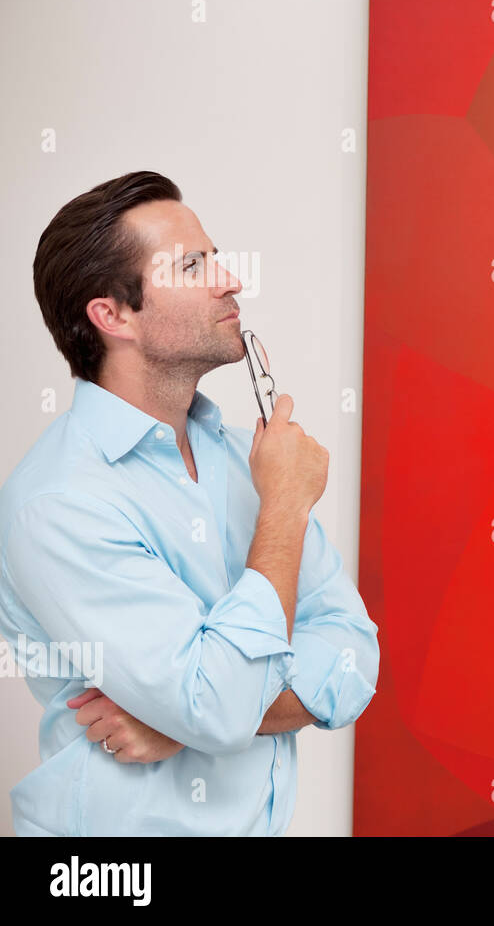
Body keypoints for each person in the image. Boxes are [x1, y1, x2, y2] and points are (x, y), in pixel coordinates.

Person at [0, 170, 379, 835]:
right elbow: (217, 704)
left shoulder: (245, 459)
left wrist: (187, 720)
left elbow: (353, 657)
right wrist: (284, 511)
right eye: (193, 265)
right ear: (112, 315)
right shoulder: (58, 504)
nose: (230, 279)